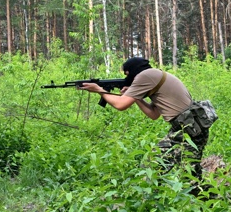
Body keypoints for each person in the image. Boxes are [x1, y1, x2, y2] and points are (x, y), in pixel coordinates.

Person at [77, 57, 213, 181]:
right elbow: (154, 114)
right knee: (190, 176)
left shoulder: (145, 76)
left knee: (153, 166)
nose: (127, 78)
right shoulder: (154, 75)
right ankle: (210, 202)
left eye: (127, 74)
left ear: (133, 71)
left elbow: (120, 104)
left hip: (188, 129)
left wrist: (99, 90)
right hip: (190, 128)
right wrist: (136, 97)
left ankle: (148, 201)